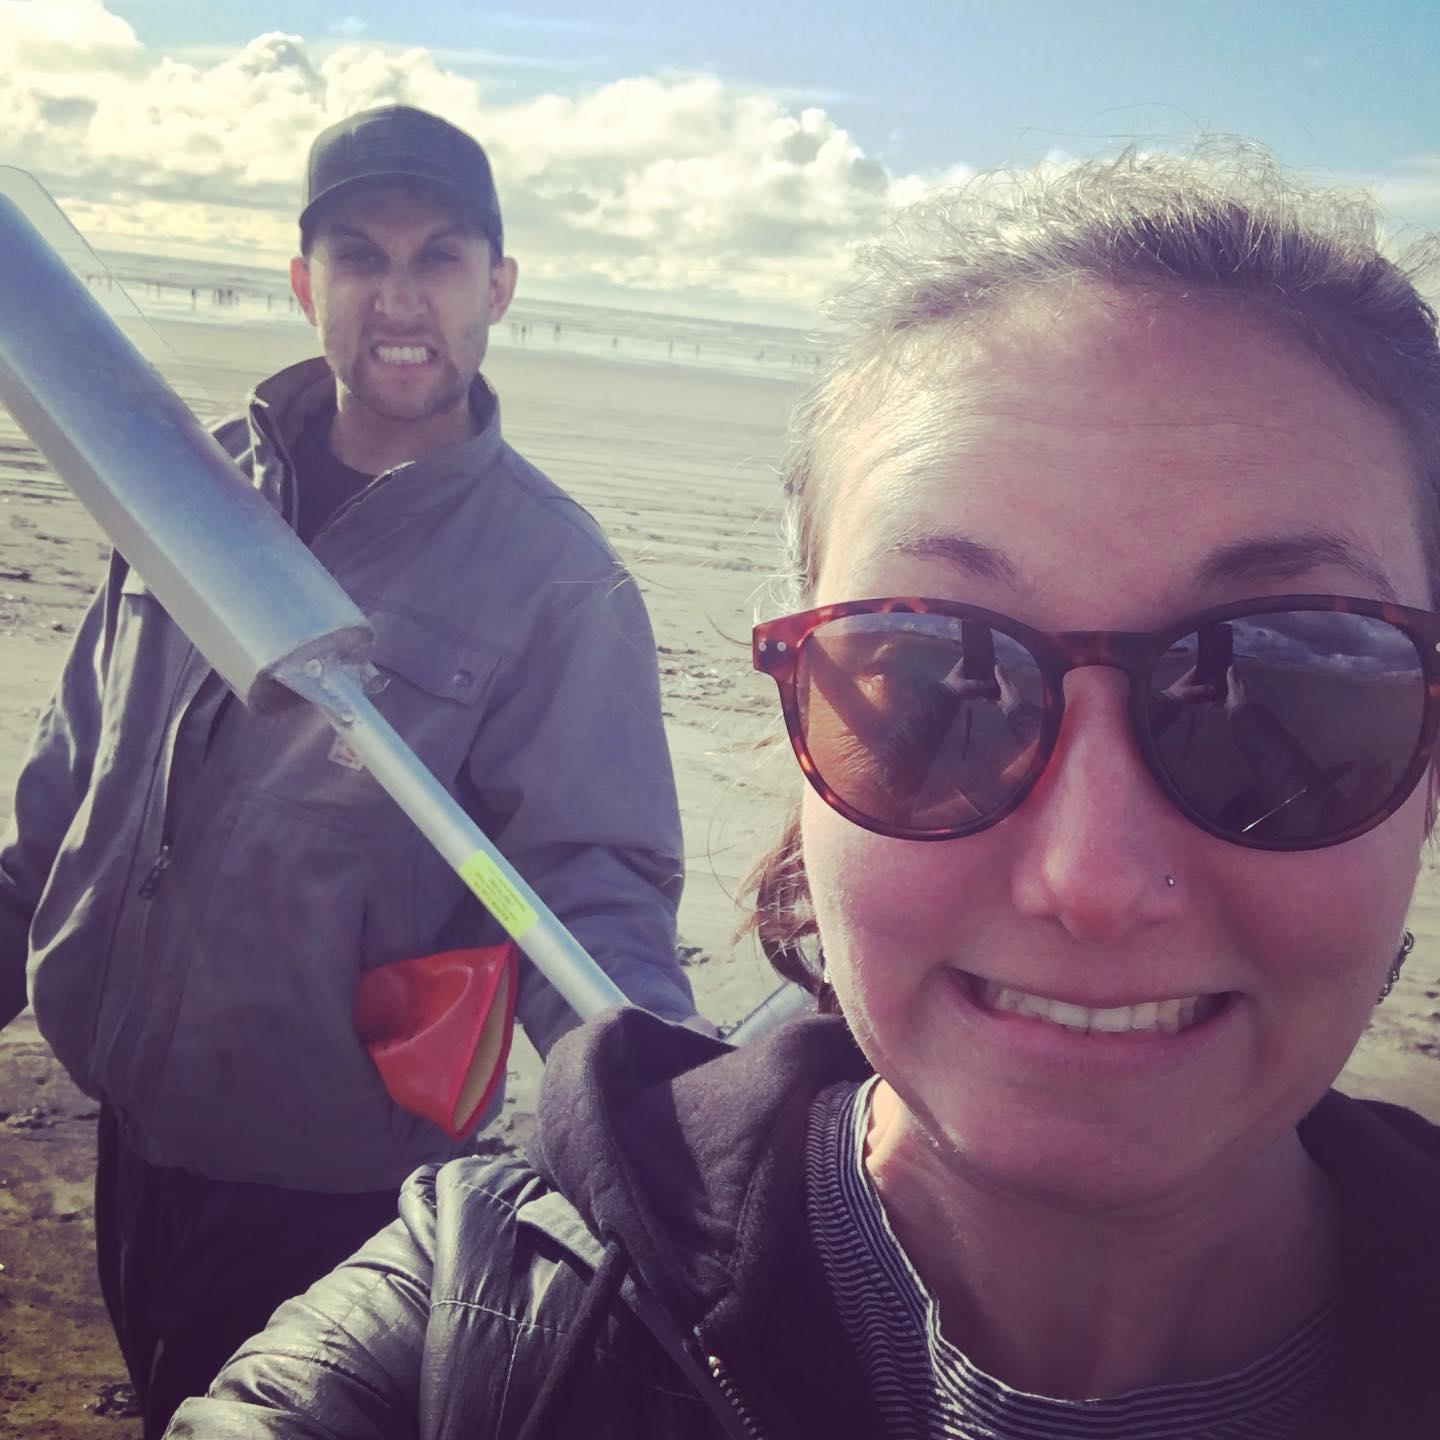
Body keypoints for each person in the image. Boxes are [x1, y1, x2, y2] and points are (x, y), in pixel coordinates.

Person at [168, 144, 1440, 1438]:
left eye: (1290, 687)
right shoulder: (489, 1326)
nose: (1093, 878)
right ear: (803, 743)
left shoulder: (546, 569)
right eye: (936, 679)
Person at [0, 103, 701, 1436]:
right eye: (359, 257)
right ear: (301, 281)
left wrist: (653, 1100)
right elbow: (73, 795)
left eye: (439, 258)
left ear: (497, 288)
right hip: (136, 1136)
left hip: (335, 1188)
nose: (399, 296)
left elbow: (586, 881)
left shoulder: (556, 580)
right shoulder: (182, 484)